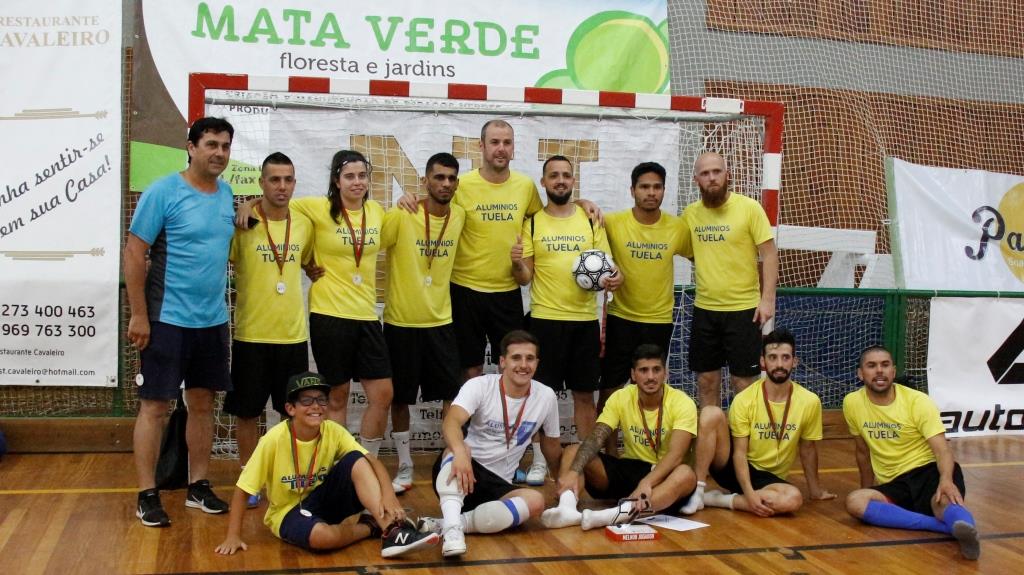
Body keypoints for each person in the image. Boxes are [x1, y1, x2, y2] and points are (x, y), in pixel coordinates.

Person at [240, 150, 393, 456]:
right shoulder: (317, 208)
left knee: (383, 394)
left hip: (366, 315)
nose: (357, 182)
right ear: (336, 181)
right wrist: (248, 203)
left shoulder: (377, 212)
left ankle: (367, 461)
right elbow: (275, 202)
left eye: (362, 176)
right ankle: (338, 464)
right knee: (337, 397)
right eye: (349, 176)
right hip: (328, 314)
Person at [125, 117, 237, 527]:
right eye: (211, 144)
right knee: (155, 406)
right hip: (166, 319)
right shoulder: (163, 192)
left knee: (204, 404)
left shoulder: (227, 196)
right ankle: (146, 493)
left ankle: (198, 486)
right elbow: (135, 252)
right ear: (190, 147)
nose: (219, 153)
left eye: (225, 146)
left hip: (212, 322)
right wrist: (139, 314)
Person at [214, 372, 439, 558]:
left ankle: (391, 529)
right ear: (290, 409)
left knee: (356, 459)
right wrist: (233, 535)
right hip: (288, 512)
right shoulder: (273, 440)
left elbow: (372, 461)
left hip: (325, 500)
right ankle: (370, 527)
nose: (316, 406)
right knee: (323, 539)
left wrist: (389, 495)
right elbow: (243, 490)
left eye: (321, 400)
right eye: (306, 400)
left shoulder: (332, 430)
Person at [511, 155, 622, 468]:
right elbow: (525, 277)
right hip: (544, 321)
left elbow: (612, 270)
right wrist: (517, 261)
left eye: (566, 175)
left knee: (584, 397)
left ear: (573, 181)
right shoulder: (532, 222)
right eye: (553, 175)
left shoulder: (590, 220)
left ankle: (587, 463)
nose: (560, 180)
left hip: (585, 322)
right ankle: (538, 462)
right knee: (538, 395)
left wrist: (616, 279)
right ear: (543, 182)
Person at [222, 152, 314, 509]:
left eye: (288, 180)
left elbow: (310, 263)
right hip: (251, 335)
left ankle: (286, 476)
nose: (282, 186)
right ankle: (250, 477)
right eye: (274, 180)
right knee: (248, 412)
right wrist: (247, 205)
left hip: (292, 336)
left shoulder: (304, 223)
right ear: (261, 183)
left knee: (291, 412)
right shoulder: (242, 224)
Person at [431, 330, 563, 557]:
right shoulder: (480, 385)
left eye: (530, 358)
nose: (523, 365)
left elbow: (551, 444)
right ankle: (452, 534)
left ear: (537, 363)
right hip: (464, 471)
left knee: (536, 501)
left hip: (500, 486)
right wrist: (461, 452)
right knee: (456, 448)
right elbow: (451, 422)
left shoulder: (547, 396)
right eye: (516, 358)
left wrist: (562, 483)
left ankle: (449, 524)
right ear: (502, 361)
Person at [842, 346, 980, 560]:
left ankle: (968, 533)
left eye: (885, 365)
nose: (879, 370)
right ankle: (943, 528)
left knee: (944, 503)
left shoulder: (918, 402)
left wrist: (946, 480)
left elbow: (942, 449)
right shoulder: (852, 403)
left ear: (893, 371)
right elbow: (862, 451)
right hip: (895, 483)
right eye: (871, 366)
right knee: (855, 502)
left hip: (928, 472)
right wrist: (868, 488)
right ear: (860, 374)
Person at [541, 344, 698, 530]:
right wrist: (574, 471)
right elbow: (597, 437)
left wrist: (646, 483)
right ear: (633, 374)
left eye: (656, 370)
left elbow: (676, 456)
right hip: (630, 468)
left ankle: (609, 516)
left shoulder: (682, 402)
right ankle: (566, 509)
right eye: (643, 370)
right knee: (574, 450)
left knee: (686, 474)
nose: (650, 377)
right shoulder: (620, 397)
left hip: (664, 476)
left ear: (665, 373)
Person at [381, 153, 466, 494]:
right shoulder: (402, 215)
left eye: (451, 179)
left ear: (457, 184)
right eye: (439, 177)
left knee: (451, 395)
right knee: (400, 398)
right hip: (401, 322)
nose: (445, 184)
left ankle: (448, 457)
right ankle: (404, 465)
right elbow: (366, 238)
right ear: (425, 181)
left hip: (441, 321)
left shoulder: (459, 215)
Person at [680, 329, 834, 516]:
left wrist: (815, 490)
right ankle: (698, 491)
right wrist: (749, 493)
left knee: (793, 499)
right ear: (763, 362)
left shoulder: (810, 401)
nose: (779, 364)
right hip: (735, 467)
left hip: (769, 478)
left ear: (794, 361)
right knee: (710, 413)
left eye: (785, 358)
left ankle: (718, 500)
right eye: (772, 357)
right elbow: (739, 453)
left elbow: (808, 449)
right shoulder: (745, 399)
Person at [601, 162, 689, 450]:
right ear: (632, 190)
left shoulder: (677, 227)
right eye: (644, 187)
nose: (651, 193)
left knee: (654, 387)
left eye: (657, 187)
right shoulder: (613, 222)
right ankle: (610, 452)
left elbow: (705, 256)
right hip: (621, 318)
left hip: (659, 320)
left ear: (663, 190)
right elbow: (578, 212)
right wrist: (586, 203)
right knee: (611, 388)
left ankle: (654, 449)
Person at [681, 152, 778, 409]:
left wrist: (767, 300)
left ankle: (744, 447)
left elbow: (769, 254)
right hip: (706, 310)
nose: (711, 178)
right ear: (696, 180)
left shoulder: (749, 208)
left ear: (728, 175)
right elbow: (691, 252)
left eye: (717, 171)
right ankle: (713, 443)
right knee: (707, 381)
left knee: (743, 384)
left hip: (744, 310)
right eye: (705, 173)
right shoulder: (690, 214)